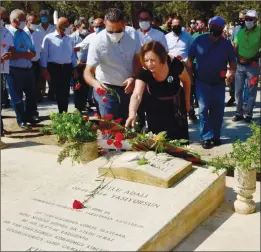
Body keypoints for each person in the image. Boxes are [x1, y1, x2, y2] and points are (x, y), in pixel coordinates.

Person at [187, 16, 237, 149]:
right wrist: (190, 75)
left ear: (222, 29)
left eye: (219, 28)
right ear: (209, 27)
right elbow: (189, 59)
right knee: (203, 109)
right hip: (201, 81)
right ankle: (206, 137)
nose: (216, 29)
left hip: (218, 83)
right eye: (214, 27)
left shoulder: (226, 44)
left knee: (218, 110)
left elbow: (232, 61)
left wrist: (231, 73)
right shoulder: (199, 40)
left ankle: (215, 135)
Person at [125, 41, 191, 140]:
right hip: (155, 109)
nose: (149, 64)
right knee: (159, 142)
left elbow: (186, 81)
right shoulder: (144, 71)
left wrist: (187, 101)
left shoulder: (174, 63)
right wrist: (132, 113)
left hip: (176, 107)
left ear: (161, 58)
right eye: (146, 60)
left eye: (152, 60)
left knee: (180, 143)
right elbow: (137, 95)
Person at [84, 8, 141, 121]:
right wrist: (96, 84)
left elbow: (137, 58)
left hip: (128, 88)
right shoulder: (97, 42)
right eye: (110, 31)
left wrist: (133, 76)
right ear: (104, 24)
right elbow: (88, 72)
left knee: (127, 127)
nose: (114, 34)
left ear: (125, 24)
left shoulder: (133, 35)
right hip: (106, 89)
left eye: (118, 30)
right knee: (110, 128)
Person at [7, 9, 39, 129]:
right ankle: (21, 120)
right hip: (14, 70)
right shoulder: (7, 34)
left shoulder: (25, 33)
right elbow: (10, 54)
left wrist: (31, 53)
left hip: (28, 69)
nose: (25, 22)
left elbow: (32, 49)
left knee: (31, 95)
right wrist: (24, 54)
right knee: (17, 98)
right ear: (15, 21)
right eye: (23, 20)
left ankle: (30, 116)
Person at [40, 17, 78, 113]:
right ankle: (61, 112)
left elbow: (72, 55)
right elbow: (44, 55)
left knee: (65, 91)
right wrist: (44, 70)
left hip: (67, 67)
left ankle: (64, 112)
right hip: (54, 68)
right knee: (57, 91)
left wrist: (75, 68)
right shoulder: (49, 38)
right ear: (60, 27)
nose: (69, 28)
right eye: (67, 26)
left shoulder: (69, 39)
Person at [165, 16, 195, 123]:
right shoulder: (166, 37)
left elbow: (192, 52)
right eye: (174, 25)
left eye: (178, 24)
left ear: (181, 25)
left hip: (185, 66)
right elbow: (165, 51)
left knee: (188, 88)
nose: (176, 26)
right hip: (171, 68)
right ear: (171, 25)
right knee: (173, 89)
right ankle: (175, 112)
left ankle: (190, 112)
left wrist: (185, 60)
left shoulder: (188, 37)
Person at [232, 10, 261, 123]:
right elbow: (235, 46)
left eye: (250, 19)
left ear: (255, 20)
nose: (247, 21)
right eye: (246, 19)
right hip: (240, 66)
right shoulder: (240, 31)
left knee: (251, 91)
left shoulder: (259, 32)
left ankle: (249, 114)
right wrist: (239, 57)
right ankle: (238, 113)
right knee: (238, 91)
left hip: (253, 66)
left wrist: (252, 58)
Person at [227, 11, 247, 107]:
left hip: (247, 58)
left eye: (243, 18)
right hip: (235, 58)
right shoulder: (236, 29)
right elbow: (232, 42)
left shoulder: (250, 29)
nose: (241, 19)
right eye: (240, 17)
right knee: (233, 80)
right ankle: (233, 97)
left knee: (246, 82)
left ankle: (245, 101)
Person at [24, 13, 45, 104]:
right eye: (31, 21)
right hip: (26, 62)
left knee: (37, 81)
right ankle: (30, 100)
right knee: (29, 83)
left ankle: (37, 96)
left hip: (36, 61)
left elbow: (41, 47)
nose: (33, 23)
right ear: (27, 21)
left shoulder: (38, 33)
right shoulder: (23, 33)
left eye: (35, 22)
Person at [70, 19, 89, 113]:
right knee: (78, 87)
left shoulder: (89, 36)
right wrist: (75, 64)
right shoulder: (72, 37)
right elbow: (71, 52)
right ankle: (78, 108)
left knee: (86, 87)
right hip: (77, 66)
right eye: (83, 28)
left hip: (88, 66)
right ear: (77, 27)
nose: (85, 30)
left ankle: (84, 104)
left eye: (87, 27)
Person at [0, 6, 13, 140]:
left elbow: (11, 47)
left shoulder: (5, 31)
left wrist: (9, 54)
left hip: (3, 70)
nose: (2, 20)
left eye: (3, 18)